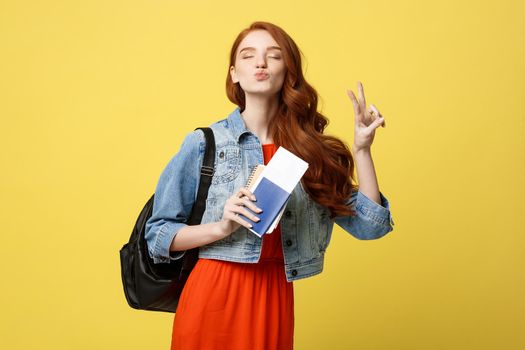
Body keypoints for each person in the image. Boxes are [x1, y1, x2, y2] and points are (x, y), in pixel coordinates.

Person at [145, 21, 395, 350]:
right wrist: (222, 227)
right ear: (234, 73)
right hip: (212, 293)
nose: (261, 63)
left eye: (273, 56)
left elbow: (370, 226)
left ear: (288, 71)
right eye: (249, 56)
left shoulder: (310, 152)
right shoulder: (205, 143)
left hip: (273, 296)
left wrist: (362, 150)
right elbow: (158, 236)